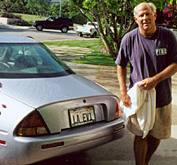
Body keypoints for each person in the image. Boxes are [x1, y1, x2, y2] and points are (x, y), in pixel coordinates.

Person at [115, 2, 177, 165]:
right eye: (141, 15)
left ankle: (145, 162)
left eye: (148, 14)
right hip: (139, 99)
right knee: (141, 134)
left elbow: (175, 64)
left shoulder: (167, 36)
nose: (145, 18)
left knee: (156, 136)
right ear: (136, 19)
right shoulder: (129, 39)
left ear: (155, 15)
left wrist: (155, 80)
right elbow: (120, 64)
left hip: (162, 97)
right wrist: (123, 92)